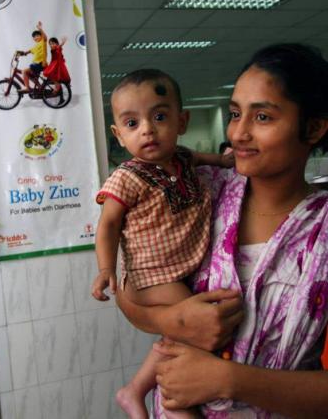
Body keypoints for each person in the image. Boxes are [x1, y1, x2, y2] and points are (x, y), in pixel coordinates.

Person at [117, 43, 328, 418]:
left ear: (312, 127)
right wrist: (172, 321)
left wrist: (228, 379)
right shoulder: (196, 191)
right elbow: (130, 290)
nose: (239, 134)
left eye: (262, 117)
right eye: (235, 114)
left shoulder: (321, 229)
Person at [91, 69, 233, 418]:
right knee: (197, 325)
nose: (147, 129)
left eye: (159, 116)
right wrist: (106, 269)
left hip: (178, 271)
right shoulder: (126, 178)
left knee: (177, 337)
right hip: (150, 278)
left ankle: (134, 391)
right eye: (132, 123)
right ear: (118, 135)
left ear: (181, 121)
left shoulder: (183, 158)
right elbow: (108, 225)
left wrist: (225, 160)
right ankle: (173, 403)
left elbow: (204, 158)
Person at [20, 21, 47, 92]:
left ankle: (27, 88)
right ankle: (40, 87)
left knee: (24, 71)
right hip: (36, 64)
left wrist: (40, 29)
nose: (36, 37)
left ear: (41, 36)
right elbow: (29, 51)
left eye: (38, 35)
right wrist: (22, 53)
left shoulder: (42, 43)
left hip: (41, 64)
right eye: (34, 37)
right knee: (30, 75)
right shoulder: (36, 46)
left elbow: (45, 37)